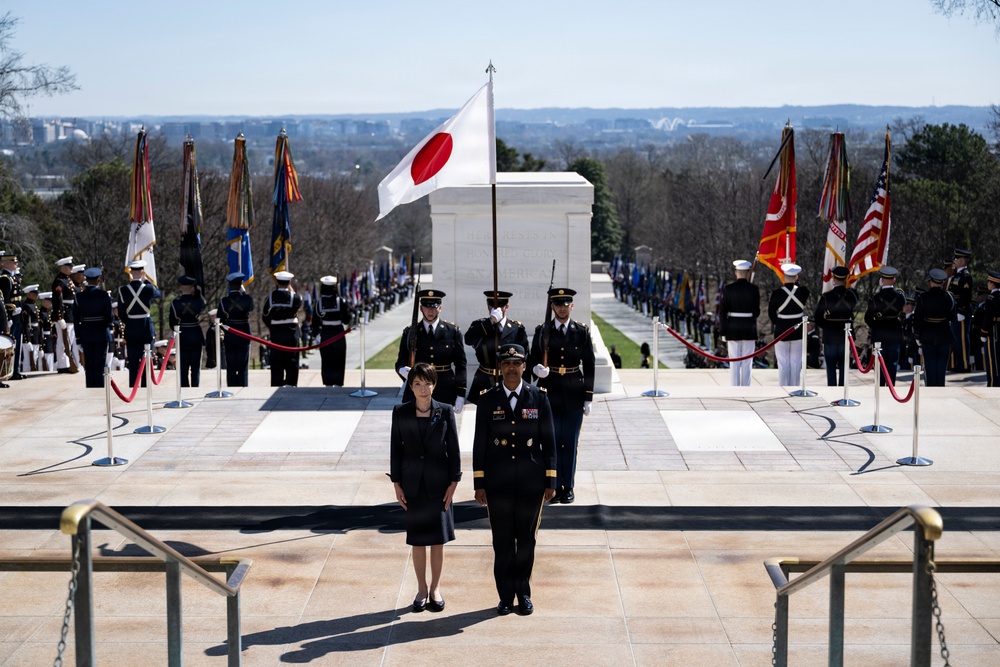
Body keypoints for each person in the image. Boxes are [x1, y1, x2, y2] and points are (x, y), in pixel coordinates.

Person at [473, 344, 557, 616]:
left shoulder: (538, 397)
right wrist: (479, 483)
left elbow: (549, 442)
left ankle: (524, 592)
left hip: (531, 483)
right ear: (500, 366)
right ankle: (505, 596)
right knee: (502, 542)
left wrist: (551, 480)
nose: (511, 368)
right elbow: (479, 445)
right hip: (498, 483)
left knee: (526, 540)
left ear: (524, 366)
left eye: (516, 363)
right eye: (506, 363)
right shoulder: (487, 399)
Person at [389, 362, 462, 613]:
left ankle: (435, 589)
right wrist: (396, 483)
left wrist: (454, 483)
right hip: (413, 486)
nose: (423, 389)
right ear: (411, 386)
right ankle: (421, 588)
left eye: (427, 383)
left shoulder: (445, 411)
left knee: (438, 542)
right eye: (417, 384)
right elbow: (396, 450)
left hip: (439, 486)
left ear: (434, 385)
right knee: (418, 541)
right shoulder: (400, 412)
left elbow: (453, 449)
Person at [526, 287, 595, 504]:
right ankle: (552, 486)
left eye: (566, 305)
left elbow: (590, 365)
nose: (562, 308)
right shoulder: (542, 331)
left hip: (574, 392)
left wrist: (588, 397)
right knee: (551, 442)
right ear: (552, 307)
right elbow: (532, 360)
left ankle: (568, 486)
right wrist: (537, 370)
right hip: (549, 391)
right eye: (558, 304)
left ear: (572, 306)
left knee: (570, 442)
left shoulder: (581, 331)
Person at [395, 289, 467, 408]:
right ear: (421, 308)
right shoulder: (410, 332)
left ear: (440, 308)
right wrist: (403, 371)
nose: (430, 311)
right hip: (418, 388)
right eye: (426, 307)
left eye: (434, 307)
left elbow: (460, 364)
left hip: (445, 388)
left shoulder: (452, 331)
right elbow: (400, 363)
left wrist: (460, 393)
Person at [465, 290, 529, 404]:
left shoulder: (517, 328)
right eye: (492, 306)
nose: (496, 309)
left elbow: (525, 357)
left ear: (507, 306)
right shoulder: (480, 325)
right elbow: (468, 339)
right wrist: (491, 321)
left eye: (501, 305)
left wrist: (526, 385)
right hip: (485, 380)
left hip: (510, 379)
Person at [117, 260, 161, 388]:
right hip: (146, 326)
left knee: (133, 360)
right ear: (143, 272)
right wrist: (148, 281)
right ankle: (145, 386)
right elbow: (158, 294)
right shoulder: (148, 288)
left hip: (131, 327)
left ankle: (133, 386)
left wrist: (130, 321)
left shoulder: (123, 290)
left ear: (130, 273)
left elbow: (121, 312)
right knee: (146, 359)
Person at [813, 265, 858, 386]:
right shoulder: (851, 295)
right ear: (845, 278)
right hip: (845, 334)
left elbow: (817, 317)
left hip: (830, 335)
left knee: (831, 366)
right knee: (844, 365)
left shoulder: (826, 296)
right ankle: (843, 389)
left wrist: (827, 326)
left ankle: (832, 390)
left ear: (834, 278)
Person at [718, 259, 760, 386]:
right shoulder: (754, 289)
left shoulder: (728, 289)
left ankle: (735, 386)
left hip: (733, 327)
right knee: (747, 361)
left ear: (736, 272)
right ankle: (746, 387)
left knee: (734, 361)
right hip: (748, 327)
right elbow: (756, 312)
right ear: (747, 273)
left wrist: (723, 331)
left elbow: (723, 312)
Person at [768, 263, 810, 387]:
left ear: (783, 277)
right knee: (796, 362)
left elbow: (771, 313)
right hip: (798, 330)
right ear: (796, 277)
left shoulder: (777, 293)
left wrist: (780, 322)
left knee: (783, 363)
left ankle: (783, 387)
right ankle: (795, 387)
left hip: (781, 329)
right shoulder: (803, 291)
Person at [864, 266, 906, 386]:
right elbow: (903, 312)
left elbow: (867, 318)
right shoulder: (900, 296)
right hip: (895, 332)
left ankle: (880, 386)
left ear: (881, 280)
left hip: (879, 333)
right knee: (892, 362)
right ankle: (891, 386)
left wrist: (877, 325)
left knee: (880, 362)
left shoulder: (875, 297)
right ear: (894, 280)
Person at [913, 268, 956, 387]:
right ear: (942, 283)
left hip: (928, 335)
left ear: (930, 282)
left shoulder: (923, 297)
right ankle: (940, 390)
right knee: (941, 368)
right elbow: (953, 317)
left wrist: (917, 335)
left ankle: (931, 390)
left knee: (930, 367)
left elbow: (917, 319)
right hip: (944, 335)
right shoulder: (949, 297)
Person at [73, 267, 113, 388]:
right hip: (101, 333)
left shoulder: (79, 297)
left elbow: (76, 320)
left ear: (86, 280)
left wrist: (78, 338)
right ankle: (100, 388)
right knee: (100, 364)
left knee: (89, 365)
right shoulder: (104, 295)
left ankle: (90, 387)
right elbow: (109, 318)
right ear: (98, 280)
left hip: (86, 334)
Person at [262, 271, 302, 386]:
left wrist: (272, 326)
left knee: (277, 360)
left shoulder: (270, 298)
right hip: (291, 332)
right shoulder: (295, 297)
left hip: (276, 332)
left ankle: (277, 383)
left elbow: (265, 316)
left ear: (277, 282)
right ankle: (291, 383)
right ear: (289, 282)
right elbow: (298, 304)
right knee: (292, 359)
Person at [168, 275, 206, 387]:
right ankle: (195, 388)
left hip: (182, 336)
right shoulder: (199, 301)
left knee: (183, 368)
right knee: (195, 368)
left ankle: (184, 389)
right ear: (192, 288)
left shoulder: (175, 303)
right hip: (196, 335)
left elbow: (172, 323)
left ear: (180, 287)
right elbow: (203, 305)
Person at [218, 271, 254, 387]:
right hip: (244, 333)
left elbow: (220, 318)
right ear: (241, 285)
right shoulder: (247, 299)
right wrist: (243, 293)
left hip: (230, 334)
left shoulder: (223, 301)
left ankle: (232, 386)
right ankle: (243, 386)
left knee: (231, 365)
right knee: (243, 365)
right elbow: (251, 308)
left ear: (229, 285)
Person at [314, 275, 350, 386]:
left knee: (326, 360)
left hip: (325, 333)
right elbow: (346, 319)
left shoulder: (319, 303)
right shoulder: (341, 301)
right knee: (339, 359)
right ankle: (338, 383)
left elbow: (315, 321)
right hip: (338, 332)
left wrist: (315, 335)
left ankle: (328, 383)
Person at [946, 248, 974, 373]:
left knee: (962, 339)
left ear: (963, 260)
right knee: (957, 339)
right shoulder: (956, 275)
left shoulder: (965, 276)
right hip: (955, 311)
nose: (955, 261)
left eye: (956, 259)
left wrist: (962, 311)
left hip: (961, 312)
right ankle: (959, 363)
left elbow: (966, 296)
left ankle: (964, 364)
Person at [51, 256, 80, 373]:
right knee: (63, 341)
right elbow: (57, 300)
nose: (71, 268)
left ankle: (66, 363)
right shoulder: (59, 281)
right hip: (64, 314)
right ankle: (63, 365)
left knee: (69, 340)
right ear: (62, 268)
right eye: (69, 267)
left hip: (70, 314)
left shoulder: (68, 280)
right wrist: (59, 317)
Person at [973, 270, 1000, 387]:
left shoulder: (991, 299)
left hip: (992, 332)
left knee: (992, 360)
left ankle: (993, 383)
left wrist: (983, 333)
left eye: (989, 282)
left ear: (993, 283)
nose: (988, 284)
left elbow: (988, 319)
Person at [0, 251, 24, 380]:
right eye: (13, 262)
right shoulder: (5, 278)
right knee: (12, 345)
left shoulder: (12, 278)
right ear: (7, 263)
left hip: (17, 316)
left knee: (17, 345)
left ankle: (15, 370)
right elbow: (6, 300)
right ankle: (11, 371)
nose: (16, 264)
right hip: (12, 316)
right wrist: (9, 315)